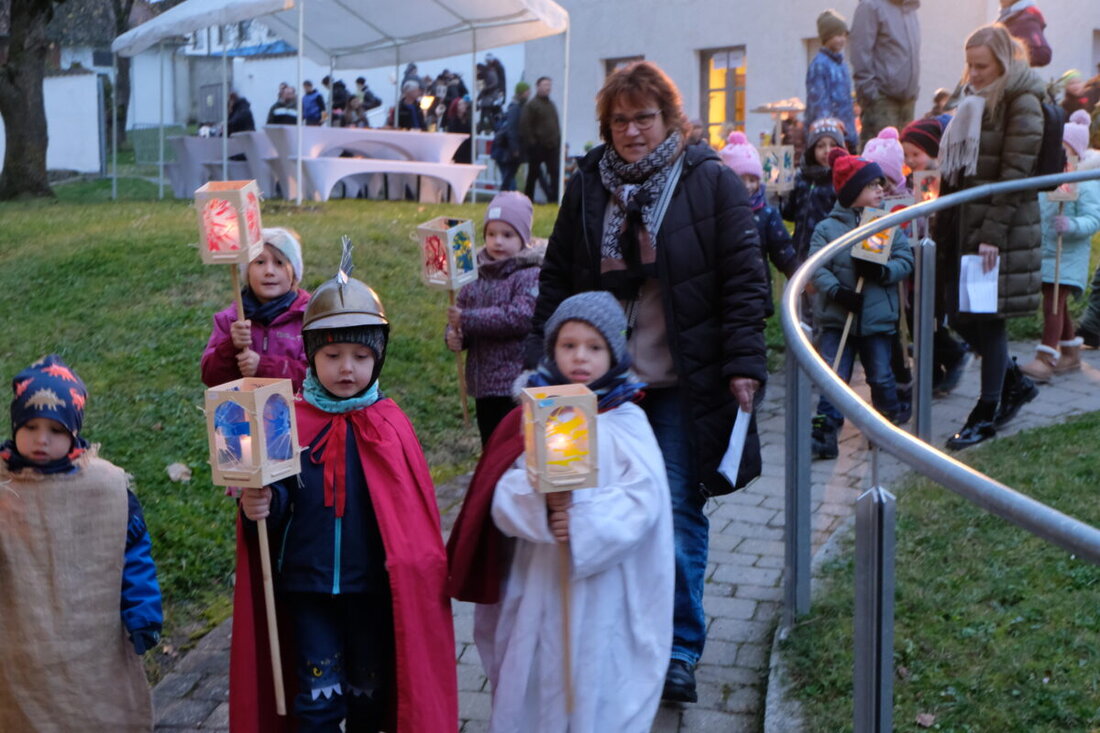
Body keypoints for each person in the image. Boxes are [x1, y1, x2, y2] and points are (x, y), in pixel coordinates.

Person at [524, 60, 768, 704]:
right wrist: (537, 359)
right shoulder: (588, 185)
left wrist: (744, 365)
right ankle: (614, 637)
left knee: (678, 508)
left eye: (644, 117)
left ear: (670, 118)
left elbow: (746, 282)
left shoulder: (710, 182)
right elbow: (558, 278)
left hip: (681, 379)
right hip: (596, 384)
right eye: (619, 120)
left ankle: (680, 646)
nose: (632, 131)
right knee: (596, 504)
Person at [233, 258, 458, 732]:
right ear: (312, 356)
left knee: (369, 695)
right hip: (307, 586)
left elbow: (409, 522)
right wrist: (260, 505)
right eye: (333, 356)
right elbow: (273, 501)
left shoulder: (390, 425)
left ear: (378, 357)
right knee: (317, 699)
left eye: (359, 355)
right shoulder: (286, 420)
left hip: (370, 587)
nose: (347, 368)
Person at [461, 291, 673, 731]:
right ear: (552, 349)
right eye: (568, 345)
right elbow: (502, 490)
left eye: (594, 347)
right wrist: (540, 505)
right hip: (539, 578)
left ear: (614, 353)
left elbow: (644, 500)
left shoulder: (627, 419)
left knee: (594, 680)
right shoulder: (532, 414)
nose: (580, 357)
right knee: (536, 675)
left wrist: (584, 520)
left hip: (603, 589)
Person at [0, 355, 163, 731]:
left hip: (89, 641)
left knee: (93, 711)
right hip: (21, 640)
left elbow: (134, 554)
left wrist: (143, 611)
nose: (41, 439)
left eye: (55, 430)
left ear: (73, 432)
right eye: (31, 426)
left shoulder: (104, 488)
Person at [938, 23, 1045, 449]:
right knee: (961, 311)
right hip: (969, 224)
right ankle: (1013, 382)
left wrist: (993, 235)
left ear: (1002, 60)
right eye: (969, 64)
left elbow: (1015, 173)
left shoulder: (1022, 99)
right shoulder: (976, 99)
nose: (973, 73)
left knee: (986, 315)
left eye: (981, 65)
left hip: (1000, 228)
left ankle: (987, 409)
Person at [809, 149, 914, 458]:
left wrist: (883, 271)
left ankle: (886, 424)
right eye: (872, 185)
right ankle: (826, 430)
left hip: (877, 319)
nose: (881, 190)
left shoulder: (885, 226)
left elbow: (905, 259)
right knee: (834, 376)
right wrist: (838, 292)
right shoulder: (826, 230)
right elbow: (817, 266)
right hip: (839, 319)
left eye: (881, 184)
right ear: (853, 192)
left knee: (880, 375)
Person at [444, 192, 541, 444]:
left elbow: (519, 316)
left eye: (507, 235)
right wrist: (455, 336)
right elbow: (460, 313)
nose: (498, 241)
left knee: (512, 448)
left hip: (513, 383)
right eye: (491, 234)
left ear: (523, 238)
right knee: (490, 444)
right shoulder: (473, 273)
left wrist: (467, 319)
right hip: (482, 383)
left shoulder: (529, 273)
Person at [1020, 111, 1100, 381]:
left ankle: (1046, 357)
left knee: (1053, 302)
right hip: (1049, 251)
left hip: (1068, 255)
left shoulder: (1084, 182)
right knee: (1057, 300)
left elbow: (1093, 219)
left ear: (1075, 154)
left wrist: (1072, 225)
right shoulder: (1052, 180)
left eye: (1064, 151)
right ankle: (1070, 353)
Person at [899, 115, 973, 395]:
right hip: (914, 255)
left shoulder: (948, 181)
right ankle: (931, 373)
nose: (911, 159)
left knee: (928, 315)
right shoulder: (911, 180)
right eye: (906, 154)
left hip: (938, 259)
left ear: (933, 151)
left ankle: (953, 354)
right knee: (915, 315)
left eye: (916, 153)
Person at [201, 228, 311, 393]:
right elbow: (211, 378)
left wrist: (263, 366)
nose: (269, 271)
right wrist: (231, 346)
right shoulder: (230, 320)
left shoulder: (309, 318)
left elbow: (317, 379)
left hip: (294, 416)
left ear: (294, 273)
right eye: (259, 262)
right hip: (243, 415)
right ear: (247, 271)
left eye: (279, 263)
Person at [720, 131, 799, 318]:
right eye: (740, 179)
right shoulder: (718, 213)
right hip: (723, 290)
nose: (747, 186)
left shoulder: (766, 213)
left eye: (752, 180)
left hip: (756, 290)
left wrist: (795, 271)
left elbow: (781, 248)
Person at [850, 0, 922, 147]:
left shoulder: (910, 8)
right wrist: (871, 95)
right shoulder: (871, 6)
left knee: (904, 163)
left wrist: (913, 92)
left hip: (908, 101)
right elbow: (860, 52)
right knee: (878, 162)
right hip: (882, 102)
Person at [782, 116, 846, 263]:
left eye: (832, 145)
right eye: (821, 145)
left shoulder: (840, 180)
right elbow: (789, 213)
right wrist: (782, 196)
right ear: (812, 149)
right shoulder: (801, 177)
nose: (827, 151)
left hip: (829, 252)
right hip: (801, 251)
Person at [805, 9, 859, 151]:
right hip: (831, 137)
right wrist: (827, 135)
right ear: (826, 37)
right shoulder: (819, 65)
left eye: (843, 35)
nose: (842, 39)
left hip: (846, 134)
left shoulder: (841, 65)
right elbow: (819, 105)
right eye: (837, 35)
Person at [519, 76, 562, 203]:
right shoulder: (532, 105)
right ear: (538, 87)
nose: (547, 87)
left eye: (549, 85)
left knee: (555, 174)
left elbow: (555, 124)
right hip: (538, 147)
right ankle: (528, 200)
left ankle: (554, 199)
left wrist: (558, 141)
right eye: (545, 85)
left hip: (552, 146)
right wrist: (533, 143)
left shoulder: (551, 104)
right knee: (533, 175)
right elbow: (525, 125)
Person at [491, 81, 530, 191]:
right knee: (509, 179)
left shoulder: (517, 107)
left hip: (506, 150)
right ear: (521, 93)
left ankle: (506, 198)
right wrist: (515, 149)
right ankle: (508, 200)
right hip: (506, 151)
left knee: (508, 178)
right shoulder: (515, 108)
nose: (528, 94)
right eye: (527, 92)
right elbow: (511, 130)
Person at [998, 0, 1051, 68]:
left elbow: (1042, 54)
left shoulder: (1026, 18)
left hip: (1014, 77)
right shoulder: (1008, 16)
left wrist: (1007, 55)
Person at [444, 95, 473, 163]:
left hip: (467, 151)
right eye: (461, 104)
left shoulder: (467, 120)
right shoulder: (453, 121)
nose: (464, 106)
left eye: (464, 104)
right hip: (457, 152)